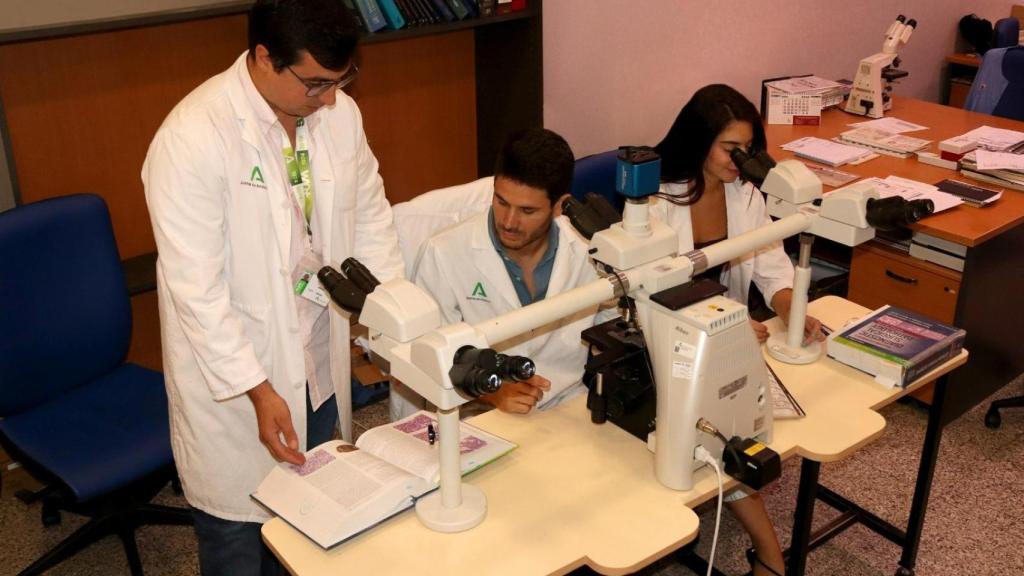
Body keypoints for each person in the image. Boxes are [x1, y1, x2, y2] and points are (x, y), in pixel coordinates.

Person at [142, 1, 403, 574]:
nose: (330, 98)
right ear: (263, 58)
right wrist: (258, 390)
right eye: (315, 84)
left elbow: (371, 219)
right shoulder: (191, 138)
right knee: (241, 539)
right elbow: (197, 292)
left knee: (314, 533)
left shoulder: (340, 114)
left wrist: (395, 315)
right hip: (242, 381)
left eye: (341, 80)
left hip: (316, 359)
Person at [650, 83, 826, 576]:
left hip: (727, 338)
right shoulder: (656, 197)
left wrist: (789, 302)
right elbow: (654, 290)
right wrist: (725, 324)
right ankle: (771, 558)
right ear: (700, 140)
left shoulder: (743, 190)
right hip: (666, 338)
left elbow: (767, 254)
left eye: (749, 150)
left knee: (767, 419)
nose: (741, 160)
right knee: (729, 435)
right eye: (731, 149)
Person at [408, 128, 613, 414]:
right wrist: (490, 393)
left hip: (565, 403)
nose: (509, 221)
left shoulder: (590, 249)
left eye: (527, 211)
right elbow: (424, 357)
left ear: (560, 206)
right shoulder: (444, 253)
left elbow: (613, 329)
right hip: (475, 412)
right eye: (501, 202)